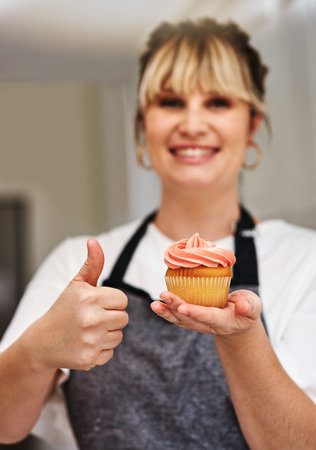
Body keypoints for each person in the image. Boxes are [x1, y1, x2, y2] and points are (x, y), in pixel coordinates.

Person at [1, 17, 316, 449]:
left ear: (252, 126)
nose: (192, 123)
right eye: (170, 102)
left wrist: (241, 339)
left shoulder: (305, 260)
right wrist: (37, 350)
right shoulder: (78, 261)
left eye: (219, 102)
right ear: (141, 126)